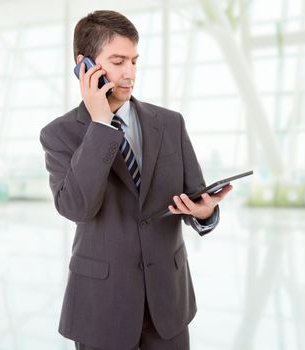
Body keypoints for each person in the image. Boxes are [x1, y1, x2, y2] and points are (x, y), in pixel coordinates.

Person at [40, 10, 232, 350]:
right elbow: (76, 208)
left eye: (134, 61)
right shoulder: (60, 134)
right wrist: (100, 126)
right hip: (102, 304)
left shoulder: (170, 124)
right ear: (85, 66)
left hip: (168, 303)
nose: (130, 73)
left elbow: (195, 198)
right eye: (118, 61)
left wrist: (205, 214)